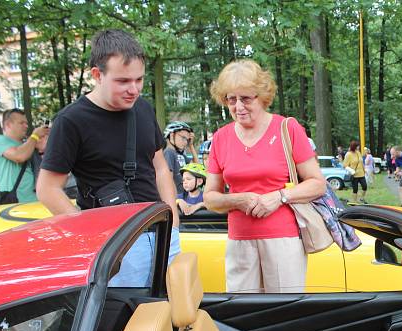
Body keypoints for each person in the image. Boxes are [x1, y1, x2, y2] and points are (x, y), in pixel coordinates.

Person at [37, 29, 181, 288]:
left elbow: (160, 167)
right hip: (114, 243)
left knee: (168, 315)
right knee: (122, 322)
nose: (134, 89)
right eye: (123, 81)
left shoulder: (144, 109)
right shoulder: (71, 121)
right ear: (97, 74)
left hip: (162, 233)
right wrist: (90, 237)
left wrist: (173, 221)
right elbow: (47, 189)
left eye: (139, 80)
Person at [202, 60, 325, 293]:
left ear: (263, 97)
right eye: (231, 99)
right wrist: (237, 200)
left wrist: (279, 197)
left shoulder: (287, 129)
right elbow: (210, 198)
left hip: (283, 239)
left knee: (284, 315)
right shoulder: (221, 137)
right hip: (239, 241)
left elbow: (317, 184)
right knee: (243, 314)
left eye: (246, 98)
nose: (238, 106)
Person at [0, 109, 49, 203]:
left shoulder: (28, 145)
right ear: (8, 125)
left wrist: (45, 146)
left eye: (26, 123)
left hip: (36, 201)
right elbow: (19, 156)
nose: (26, 126)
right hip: (14, 205)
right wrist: (34, 136)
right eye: (21, 123)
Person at [163, 121, 198, 192]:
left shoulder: (180, 155)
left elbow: (196, 167)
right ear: (172, 135)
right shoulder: (168, 153)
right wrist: (175, 199)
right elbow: (168, 180)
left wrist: (191, 145)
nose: (186, 142)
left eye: (187, 140)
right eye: (183, 138)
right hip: (178, 198)